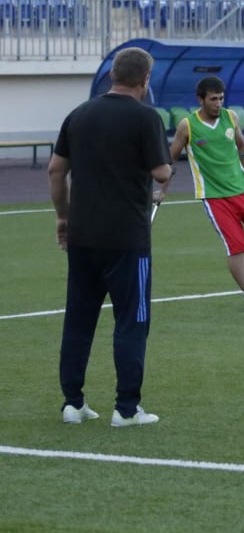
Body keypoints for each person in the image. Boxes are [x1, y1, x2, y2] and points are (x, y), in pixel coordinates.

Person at [49, 46, 172, 427]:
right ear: (145, 80)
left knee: (79, 320)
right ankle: (127, 407)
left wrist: (63, 216)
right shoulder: (145, 117)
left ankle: (73, 402)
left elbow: (56, 170)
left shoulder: (79, 114)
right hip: (127, 240)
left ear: (113, 75)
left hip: (83, 235)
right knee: (131, 322)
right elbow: (162, 173)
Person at [160, 76, 244, 311]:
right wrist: (162, 190)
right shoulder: (188, 125)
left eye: (221, 98)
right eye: (213, 99)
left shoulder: (231, 117)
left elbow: (243, 148)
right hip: (214, 197)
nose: (218, 103)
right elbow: (170, 161)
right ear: (201, 100)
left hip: (242, 190)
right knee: (235, 245)